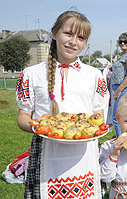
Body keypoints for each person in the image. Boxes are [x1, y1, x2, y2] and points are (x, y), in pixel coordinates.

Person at [16, 11, 109, 199]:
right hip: (46, 153)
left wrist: (93, 126)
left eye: (81, 37)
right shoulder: (31, 74)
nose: (74, 42)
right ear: (54, 34)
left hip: (84, 157)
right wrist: (40, 127)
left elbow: (99, 117)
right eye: (68, 33)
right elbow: (23, 117)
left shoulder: (94, 75)